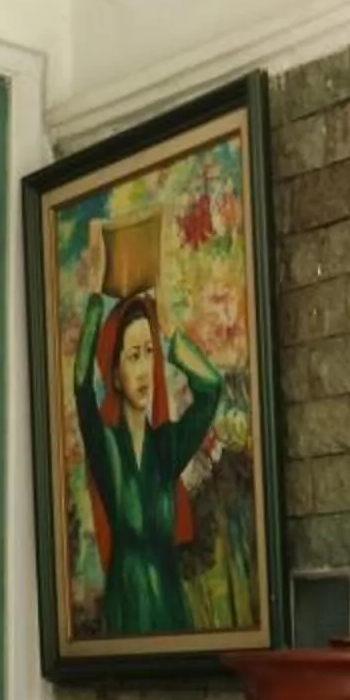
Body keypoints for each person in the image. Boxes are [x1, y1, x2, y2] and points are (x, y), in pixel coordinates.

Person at [71, 261, 226, 639]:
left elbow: (211, 390)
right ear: (115, 375)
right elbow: (81, 387)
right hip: (128, 608)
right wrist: (96, 301)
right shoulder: (107, 447)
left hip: (171, 610)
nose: (143, 369)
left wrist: (171, 339)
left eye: (148, 352)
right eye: (132, 356)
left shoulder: (166, 447)